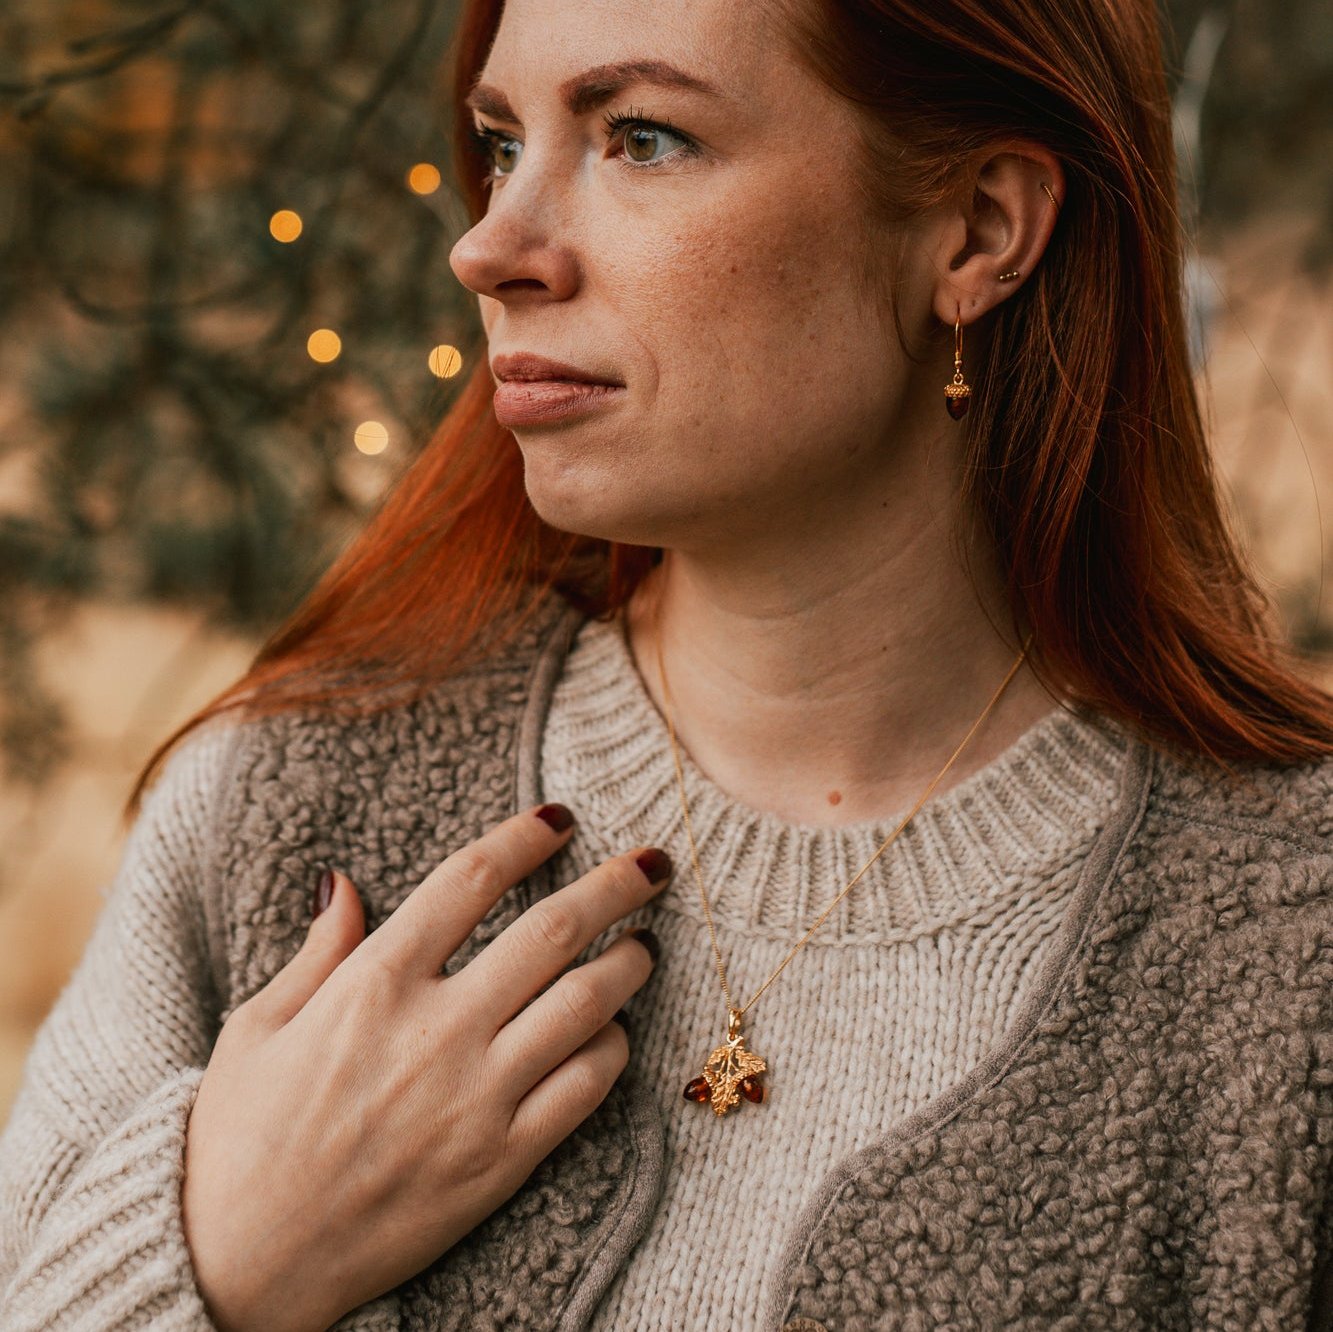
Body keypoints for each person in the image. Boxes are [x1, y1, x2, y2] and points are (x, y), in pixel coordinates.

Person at [3, 0, 1333, 1327]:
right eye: (500, 139)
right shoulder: (288, 810)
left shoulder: (1285, 947)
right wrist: (219, 1260)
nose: (491, 246)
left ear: (978, 228)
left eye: (642, 136)